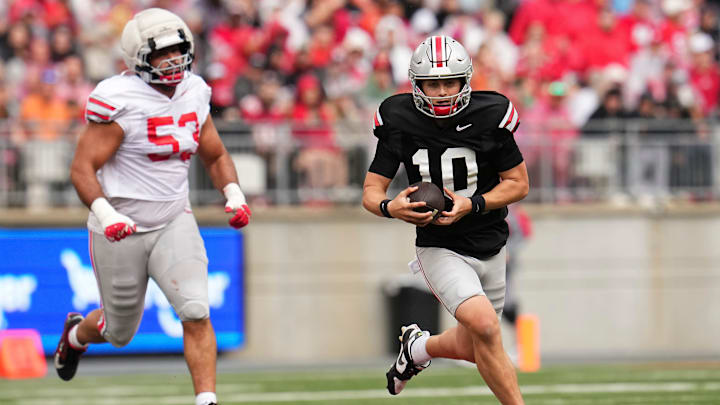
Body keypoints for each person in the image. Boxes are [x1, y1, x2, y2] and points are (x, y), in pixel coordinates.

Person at [52, 9, 251, 405]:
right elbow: (81, 169)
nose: (174, 59)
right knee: (118, 332)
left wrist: (233, 192)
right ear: (138, 57)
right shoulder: (119, 99)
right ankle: (76, 335)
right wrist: (107, 214)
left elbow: (214, 154)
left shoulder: (195, 91)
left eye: (179, 49)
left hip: (174, 219)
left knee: (196, 310)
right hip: (120, 227)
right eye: (163, 53)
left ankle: (206, 400)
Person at [362, 35, 528, 404]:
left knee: (476, 343)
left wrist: (473, 204)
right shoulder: (398, 119)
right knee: (486, 327)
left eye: (448, 82)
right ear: (416, 85)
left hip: (491, 242)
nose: (440, 92)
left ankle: (418, 349)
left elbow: (518, 184)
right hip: (440, 247)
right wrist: (391, 207)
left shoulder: (490, 114)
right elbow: (371, 192)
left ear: (465, 81)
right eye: (431, 84)